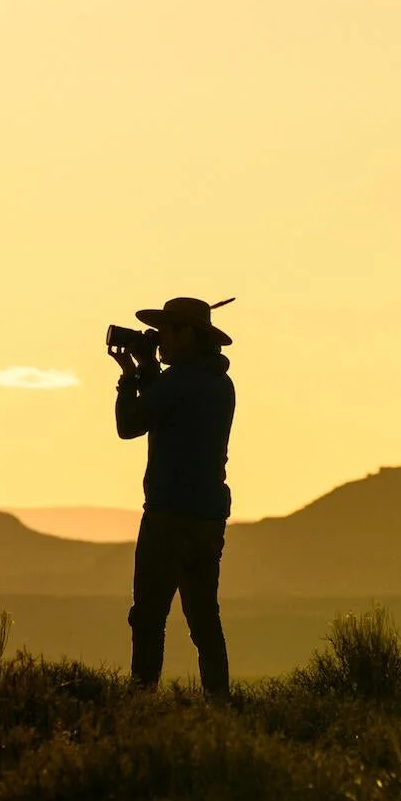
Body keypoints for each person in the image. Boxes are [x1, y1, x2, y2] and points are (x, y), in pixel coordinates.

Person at [110, 296, 236, 695]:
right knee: (204, 618)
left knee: (148, 616)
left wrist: (130, 376)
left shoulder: (177, 381)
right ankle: (219, 702)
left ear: (187, 334)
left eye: (167, 331)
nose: (159, 339)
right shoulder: (220, 383)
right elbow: (167, 408)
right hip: (208, 517)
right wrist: (149, 369)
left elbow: (130, 424)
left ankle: (143, 700)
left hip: (168, 516)